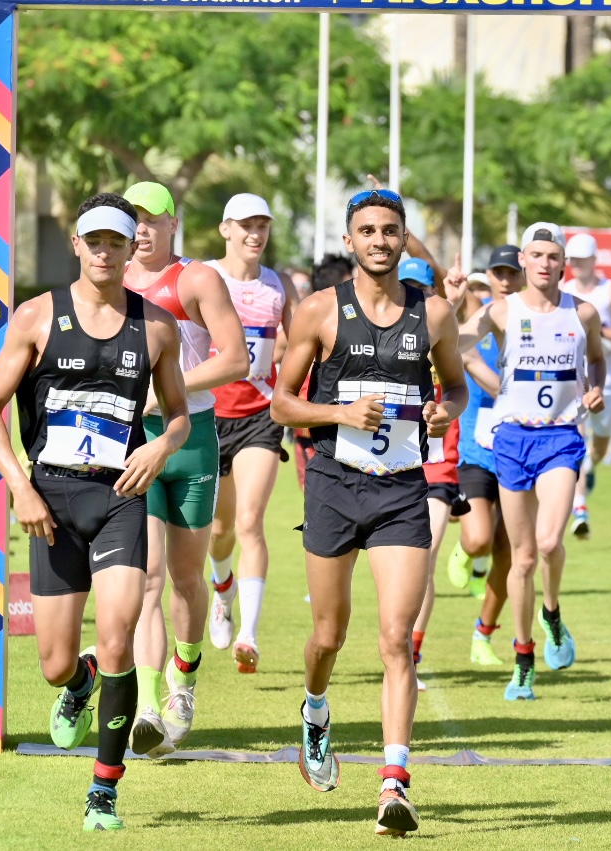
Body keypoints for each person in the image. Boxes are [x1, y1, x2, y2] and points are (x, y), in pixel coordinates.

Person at [0, 193, 192, 831]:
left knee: (120, 634)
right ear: (76, 245)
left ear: (131, 249)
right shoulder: (37, 316)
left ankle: (104, 790)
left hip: (120, 496)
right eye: (93, 240)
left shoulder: (157, 328)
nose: (104, 251)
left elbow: (180, 415)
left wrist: (160, 445)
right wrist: (20, 487)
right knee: (54, 664)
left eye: (115, 242)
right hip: (52, 502)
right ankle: (80, 682)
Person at [271, 188, 467, 836]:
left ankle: (394, 783)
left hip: (402, 491)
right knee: (328, 635)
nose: (379, 240)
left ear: (403, 238)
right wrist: (340, 413)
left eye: (389, 230)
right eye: (367, 230)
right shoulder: (320, 310)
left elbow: (457, 385)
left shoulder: (432, 312)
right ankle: (315, 708)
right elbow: (281, 404)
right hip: (333, 484)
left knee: (395, 637)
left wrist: (443, 410)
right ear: (350, 240)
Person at [120, 181, 249, 756]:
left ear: (174, 223)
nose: (142, 229)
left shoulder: (196, 279)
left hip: (192, 438)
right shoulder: (110, 280)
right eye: (133, 219)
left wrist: (168, 388)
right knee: (147, 577)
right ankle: (147, 707)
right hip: (133, 440)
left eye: (152, 219)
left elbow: (236, 359)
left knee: (186, 578)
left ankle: (186, 675)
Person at [459, 224, 605, 702]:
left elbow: (597, 359)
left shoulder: (583, 312)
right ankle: (524, 658)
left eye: (552, 255)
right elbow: (456, 342)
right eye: (536, 255)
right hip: (512, 439)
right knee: (521, 559)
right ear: (523, 259)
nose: (545, 263)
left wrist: (595, 388)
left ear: (564, 263)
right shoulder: (502, 310)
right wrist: (454, 308)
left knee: (548, 542)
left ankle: (552, 613)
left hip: (561, 438)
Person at [204, 193, 299, 674]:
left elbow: (302, 342)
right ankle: (222, 590)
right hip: (208, 415)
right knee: (219, 531)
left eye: (262, 225)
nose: (255, 234)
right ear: (226, 229)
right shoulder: (204, 278)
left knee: (249, 522)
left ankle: (250, 634)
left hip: (261, 416)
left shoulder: (278, 286)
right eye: (245, 225)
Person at [445, 244, 521, 666]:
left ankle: (483, 634)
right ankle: (466, 549)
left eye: (512, 272)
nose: (506, 280)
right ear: (488, 277)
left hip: (524, 450)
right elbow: (447, 331)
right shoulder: (482, 316)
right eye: (499, 272)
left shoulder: (538, 322)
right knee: (478, 539)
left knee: (510, 553)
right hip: (478, 450)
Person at [397, 256, 469, 689]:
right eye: (407, 287)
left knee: (424, 559)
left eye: (422, 290)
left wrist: (454, 306)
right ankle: (397, 643)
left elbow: (464, 343)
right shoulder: (384, 335)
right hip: (394, 461)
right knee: (401, 566)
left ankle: (411, 653)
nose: (414, 297)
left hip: (439, 465)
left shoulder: (443, 329)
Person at [561, 233, 611, 538]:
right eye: (573, 260)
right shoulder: (564, 290)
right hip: (574, 377)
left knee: (600, 446)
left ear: (594, 260)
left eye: (582, 260)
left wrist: (598, 332)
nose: (577, 265)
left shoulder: (610, 291)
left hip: (605, 377)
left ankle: (590, 469)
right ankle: (580, 508)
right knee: (577, 441)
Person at [292, 255, 355, 493]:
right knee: (318, 501)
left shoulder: (359, 324)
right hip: (313, 434)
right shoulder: (309, 324)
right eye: (352, 282)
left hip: (354, 433)